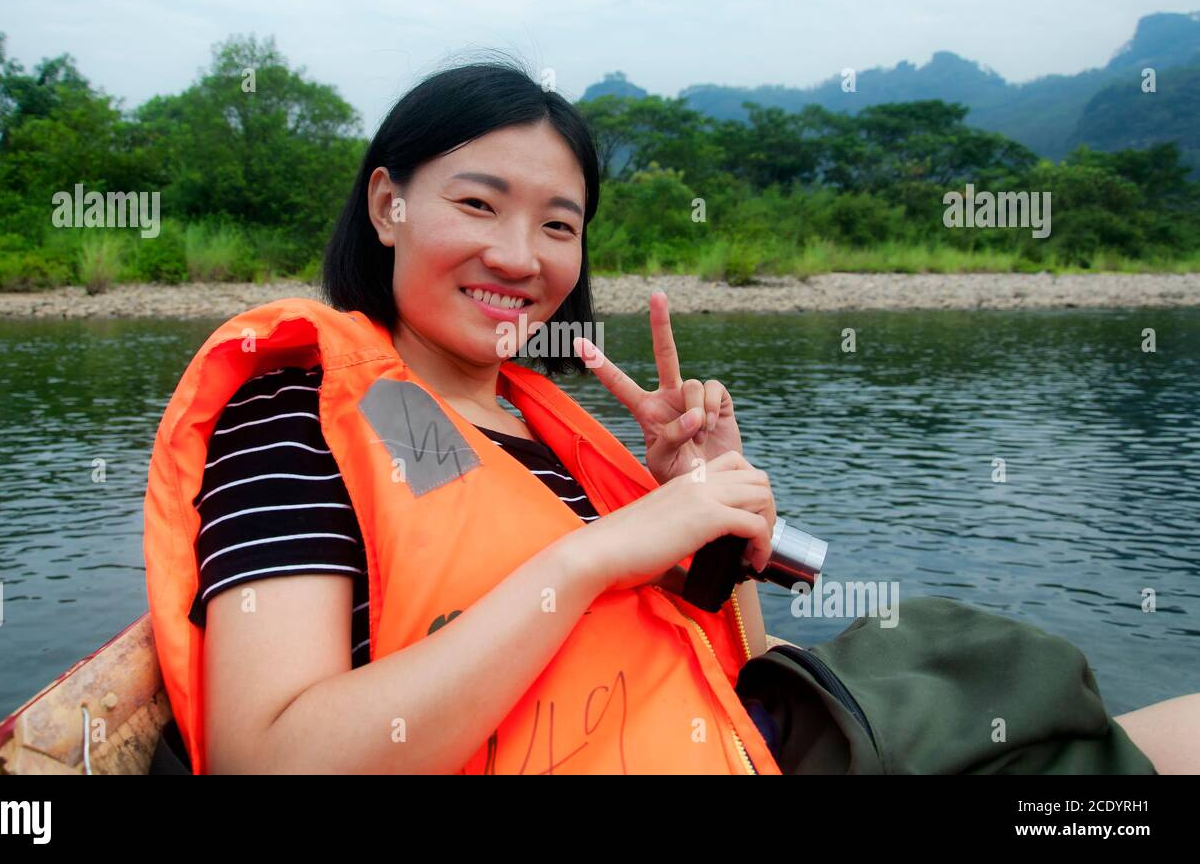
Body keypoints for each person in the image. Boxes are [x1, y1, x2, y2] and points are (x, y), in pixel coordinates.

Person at [148, 57, 1197, 775]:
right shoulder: (309, 408)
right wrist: (603, 549)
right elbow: (270, 758)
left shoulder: (520, 420)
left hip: (730, 742)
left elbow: (718, 661)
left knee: (1054, 716)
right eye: (477, 203)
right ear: (388, 205)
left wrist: (696, 518)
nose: (521, 256)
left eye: (558, 224)